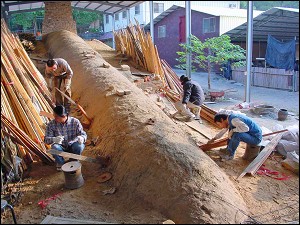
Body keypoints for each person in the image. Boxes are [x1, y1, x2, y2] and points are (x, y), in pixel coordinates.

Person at [44, 105, 87, 170]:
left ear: (64, 116)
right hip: (60, 147)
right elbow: (46, 140)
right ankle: (61, 164)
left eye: (56, 117)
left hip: (72, 145)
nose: (54, 118)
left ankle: (74, 160)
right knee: (55, 147)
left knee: (79, 146)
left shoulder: (75, 122)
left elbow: (83, 134)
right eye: (54, 116)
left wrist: (82, 138)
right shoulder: (51, 124)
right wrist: (54, 139)